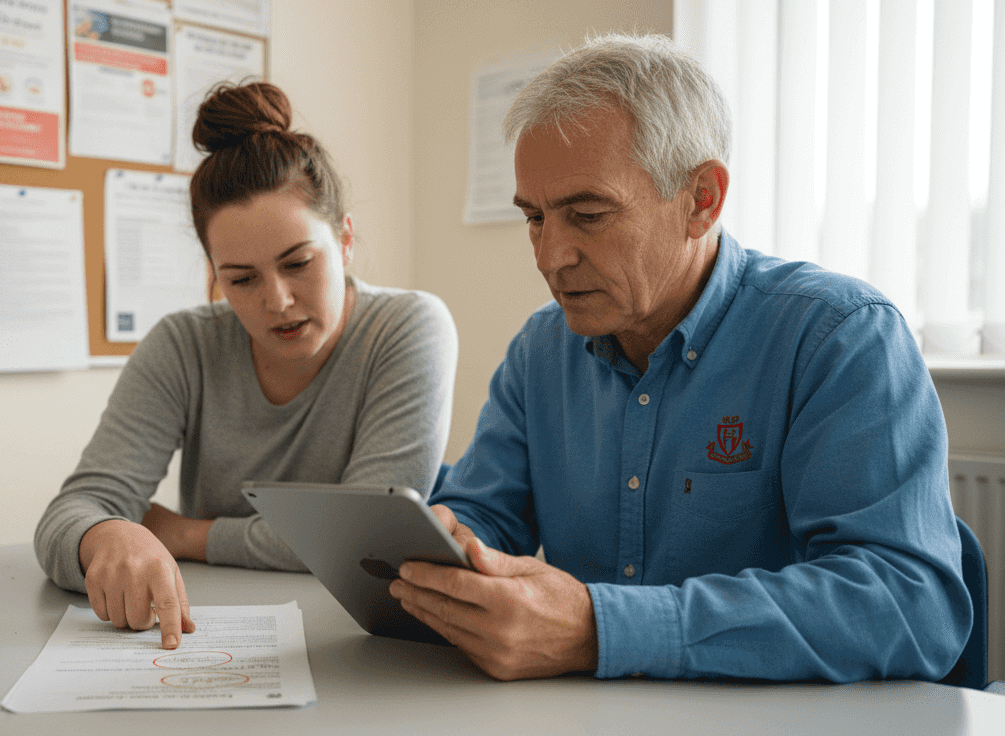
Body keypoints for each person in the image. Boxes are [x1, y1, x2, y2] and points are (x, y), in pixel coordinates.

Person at [390, 33, 972, 683]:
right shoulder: (541, 351)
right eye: (535, 218)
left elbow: (909, 603)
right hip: (588, 727)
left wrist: (602, 628)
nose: (549, 257)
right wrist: (453, 540)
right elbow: (488, 512)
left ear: (702, 201)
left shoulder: (840, 337)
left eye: (586, 214)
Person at [36, 82, 458, 650]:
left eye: (299, 263)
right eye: (241, 279)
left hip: (351, 642)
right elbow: (72, 511)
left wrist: (187, 535)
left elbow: (365, 546)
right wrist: (105, 533)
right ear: (213, 272)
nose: (277, 300)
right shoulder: (182, 345)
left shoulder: (409, 328)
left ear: (346, 239)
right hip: (202, 633)